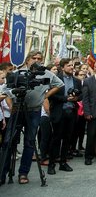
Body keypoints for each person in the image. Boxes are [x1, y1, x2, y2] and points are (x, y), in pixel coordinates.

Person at [1, 51, 63, 185]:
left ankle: (23, 173)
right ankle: (2, 173)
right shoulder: (18, 73)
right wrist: (12, 101)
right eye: (33, 58)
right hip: (18, 110)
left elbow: (59, 84)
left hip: (34, 111)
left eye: (39, 58)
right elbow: (5, 90)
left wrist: (45, 96)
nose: (36, 60)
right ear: (28, 60)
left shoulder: (46, 73)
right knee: (8, 142)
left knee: (29, 143)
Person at [47, 58, 81, 174]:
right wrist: (66, 98)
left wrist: (76, 98)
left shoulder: (76, 81)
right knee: (56, 139)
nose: (71, 67)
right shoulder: (56, 79)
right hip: (59, 112)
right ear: (62, 67)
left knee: (68, 139)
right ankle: (51, 164)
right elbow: (51, 96)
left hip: (71, 112)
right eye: (68, 65)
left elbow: (80, 95)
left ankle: (63, 162)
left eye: (72, 65)